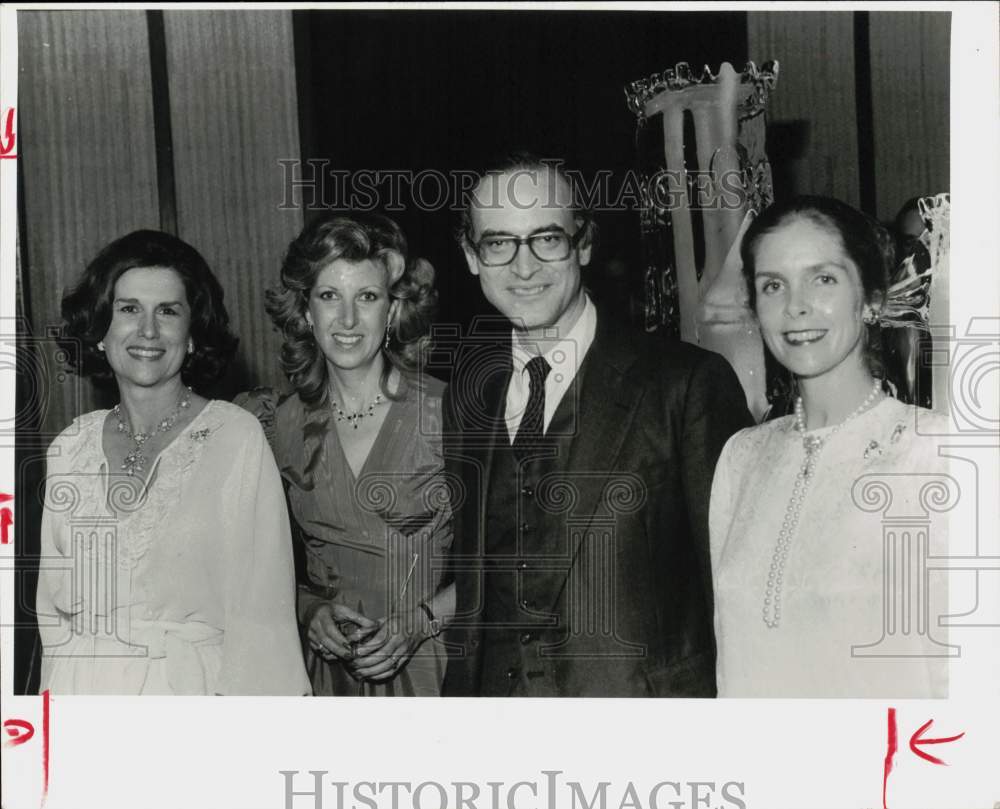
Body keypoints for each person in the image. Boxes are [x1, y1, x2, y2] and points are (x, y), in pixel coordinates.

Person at [441, 153, 752, 697]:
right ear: (471, 255)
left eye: (547, 239)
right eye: (498, 243)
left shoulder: (686, 383)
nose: (524, 267)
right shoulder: (469, 396)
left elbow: (733, 595)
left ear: (583, 243)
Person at [37, 230, 310, 695]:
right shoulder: (70, 447)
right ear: (101, 330)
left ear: (192, 335)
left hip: (190, 701)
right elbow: (52, 620)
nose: (147, 330)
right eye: (128, 309)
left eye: (168, 311)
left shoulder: (234, 437)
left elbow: (263, 621)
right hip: (79, 700)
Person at [710, 196, 950, 698]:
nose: (795, 305)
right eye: (772, 285)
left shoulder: (933, 452)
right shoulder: (741, 457)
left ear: (871, 299)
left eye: (823, 279)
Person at [238, 212, 453, 696]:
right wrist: (308, 609)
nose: (348, 320)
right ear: (306, 310)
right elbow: (249, 573)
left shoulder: (450, 415)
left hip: (433, 672)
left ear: (394, 310)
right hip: (326, 678)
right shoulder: (276, 426)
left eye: (368, 297)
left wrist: (421, 622)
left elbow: (513, 564)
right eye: (330, 296)